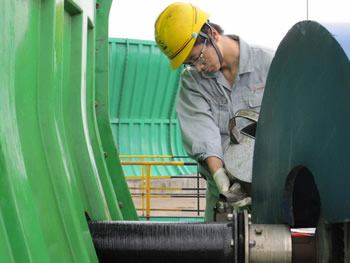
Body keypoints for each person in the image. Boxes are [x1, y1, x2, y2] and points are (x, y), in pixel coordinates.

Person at [154, 2, 275, 221]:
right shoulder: (193, 82)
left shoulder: (269, 64)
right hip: (222, 192)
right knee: (218, 249)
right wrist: (220, 176)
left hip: (270, 189)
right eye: (190, 63)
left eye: (197, 58)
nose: (198, 67)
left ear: (211, 34)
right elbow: (202, 129)